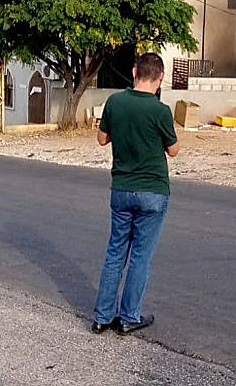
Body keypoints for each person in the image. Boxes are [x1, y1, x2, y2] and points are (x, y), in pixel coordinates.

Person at [92, 53, 179, 335]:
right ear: (161, 77)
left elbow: (102, 139)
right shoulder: (161, 110)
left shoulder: (115, 102)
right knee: (141, 256)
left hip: (121, 189)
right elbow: (173, 150)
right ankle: (129, 316)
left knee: (115, 252)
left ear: (134, 72)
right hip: (152, 192)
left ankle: (102, 317)